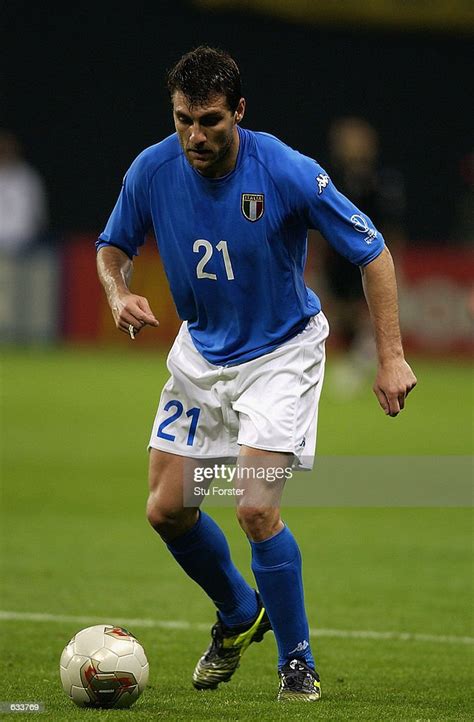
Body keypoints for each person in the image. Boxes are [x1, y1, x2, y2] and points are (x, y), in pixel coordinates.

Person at [96, 46, 416, 702]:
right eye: (184, 119)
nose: (196, 135)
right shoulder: (152, 169)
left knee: (254, 507)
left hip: (280, 358)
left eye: (210, 120)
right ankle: (242, 614)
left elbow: (374, 253)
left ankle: (297, 661)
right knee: (166, 511)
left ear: (238, 112)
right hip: (200, 357)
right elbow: (111, 247)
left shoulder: (287, 171)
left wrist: (390, 356)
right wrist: (116, 292)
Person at [319, 117, 407, 396]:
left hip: (369, 257)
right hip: (338, 260)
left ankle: (362, 367)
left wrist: (395, 263)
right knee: (342, 319)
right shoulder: (327, 179)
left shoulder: (382, 183)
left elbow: (392, 228)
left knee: (365, 316)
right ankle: (353, 367)